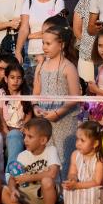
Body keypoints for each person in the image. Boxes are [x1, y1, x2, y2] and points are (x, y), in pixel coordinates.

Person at [32, 23, 81, 177]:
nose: (44, 47)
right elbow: (36, 92)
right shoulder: (40, 66)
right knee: (48, 156)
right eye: (43, 43)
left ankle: (65, 189)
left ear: (61, 45)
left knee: (63, 155)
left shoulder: (68, 67)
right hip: (46, 120)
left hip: (65, 120)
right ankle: (51, 190)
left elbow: (75, 97)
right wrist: (35, 107)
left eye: (48, 43)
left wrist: (59, 112)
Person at [0, 117, 61, 204]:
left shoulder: (51, 150)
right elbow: (13, 178)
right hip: (28, 193)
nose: (25, 140)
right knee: (2, 190)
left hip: (46, 193)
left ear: (43, 140)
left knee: (47, 180)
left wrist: (28, 177)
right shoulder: (22, 155)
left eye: (30, 137)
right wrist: (13, 190)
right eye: (25, 136)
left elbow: (52, 173)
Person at [62, 121, 103, 204]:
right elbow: (72, 172)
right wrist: (72, 179)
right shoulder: (75, 154)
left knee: (94, 191)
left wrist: (77, 185)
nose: (78, 143)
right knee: (67, 190)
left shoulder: (99, 158)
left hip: (99, 187)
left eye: (82, 140)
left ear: (95, 144)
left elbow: (97, 181)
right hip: (81, 184)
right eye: (77, 139)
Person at [15, 0, 64, 75]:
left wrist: (32, 36)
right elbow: (24, 29)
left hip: (52, 54)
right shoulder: (28, 3)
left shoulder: (58, 2)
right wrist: (18, 51)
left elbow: (55, 30)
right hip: (33, 54)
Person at [0, 62, 33, 167]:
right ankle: (11, 172)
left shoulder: (25, 92)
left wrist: (24, 128)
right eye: (12, 77)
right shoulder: (0, 93)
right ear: (6, 79)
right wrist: (6, 131)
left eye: (19, 78)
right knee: (12, 138)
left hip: (21, 130)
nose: (15, 81)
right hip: (4, 129)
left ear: (23, 79)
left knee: (15, 137)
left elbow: (28, 114)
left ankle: (10, 173)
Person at [73, 0, 103, 83]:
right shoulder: (83, 2)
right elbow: (77, 31)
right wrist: (89, 45)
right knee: (87, 94)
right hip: (87, 56)